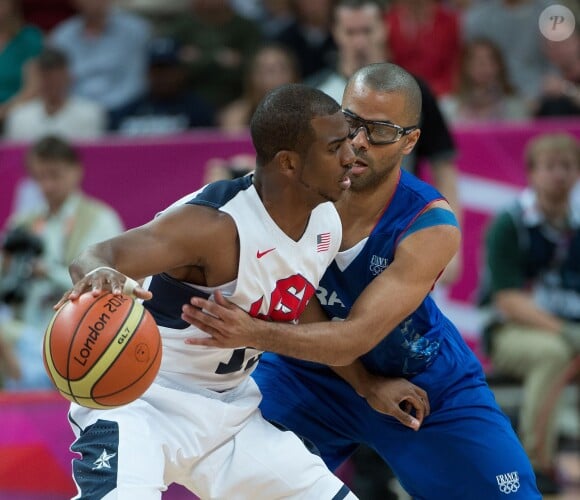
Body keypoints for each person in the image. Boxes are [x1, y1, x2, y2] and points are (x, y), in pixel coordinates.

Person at [182, 63, 542, 499]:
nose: (358, 142)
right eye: (351, 122)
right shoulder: (300, 188)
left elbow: (353, 337)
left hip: (419, 379)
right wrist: (364, 384)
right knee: (232, 474)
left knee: (512, 493)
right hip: (309, 373)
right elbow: (300, 300)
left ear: (410, 140)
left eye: (381, 131)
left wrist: (251, 331)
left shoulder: (430, 224)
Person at [53, 84, 372, 499]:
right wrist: (98, 275)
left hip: (231, 417)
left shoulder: (326, 221)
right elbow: (100, 252)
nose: (350, 156)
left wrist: (367, 384)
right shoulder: (213, 226)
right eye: (335, 148)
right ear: (290, 163)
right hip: (141, 402)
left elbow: (297, 304)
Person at [308, 0, 462, 284]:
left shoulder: (412, 92)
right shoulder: (313, 93)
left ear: (384, 28)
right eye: (350, 32)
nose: (359, 41)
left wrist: (455, 245)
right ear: (335, 32)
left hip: (397, 227)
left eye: (367, 30)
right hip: (328, 229)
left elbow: (444, 166)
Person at [479, 132, 580, 494]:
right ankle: (535, 463)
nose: (559, 175)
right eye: (550, 167)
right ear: (532, 173)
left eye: (567, 166)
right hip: (512, 331)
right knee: (555, 352)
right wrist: (564, 330)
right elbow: (507, 300)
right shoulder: (511, 223)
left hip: (570, 328)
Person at [0, 135, 124, 390]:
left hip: (81, 336)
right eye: (39, 177)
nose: (46, 185)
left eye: (54, 175)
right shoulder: (21, 223)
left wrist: (48, 272)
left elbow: (110, 283)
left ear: (76, 171)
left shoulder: (100, 219)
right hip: (25, 336)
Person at [50, 0, 152, 113]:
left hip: (126, 107)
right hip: (76, 110)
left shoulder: (135, 30)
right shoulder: (62, 36)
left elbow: (135, 79)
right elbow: (60, 81)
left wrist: (107, 108)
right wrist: (82, 108)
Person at [108, 36, 215, 136]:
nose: (163, 77)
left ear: (182, 72)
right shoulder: (126, 112)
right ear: (147, 72)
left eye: (168, 70)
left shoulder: (199, 111)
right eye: (157, 70)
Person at [4, 46, 106, 141]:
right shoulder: (19, 117)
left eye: (56, 79)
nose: (52, 84)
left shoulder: (90, 113)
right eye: (46, 79)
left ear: (69, 77)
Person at [439, 37, 530, 124]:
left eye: (489, 61)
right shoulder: (448, 107)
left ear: (499, 66)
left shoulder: (515, 107)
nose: (483, 66)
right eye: (477, 61)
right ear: (465, 66)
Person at [0, 0, 43, 125]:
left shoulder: (29, 38)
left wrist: (6, 110)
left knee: (24, 119)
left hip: (19, 109)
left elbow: (34, 86)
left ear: (12, 5)